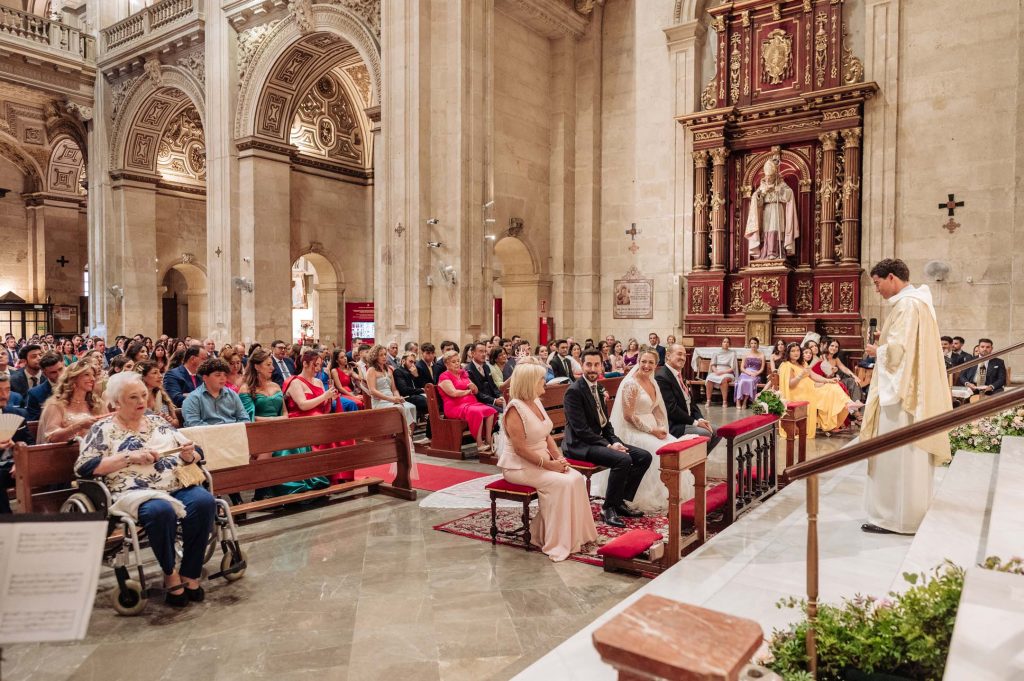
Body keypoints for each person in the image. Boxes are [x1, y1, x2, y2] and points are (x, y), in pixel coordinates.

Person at [75, 372, 213, 607]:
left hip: (174, 484)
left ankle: (190, 572)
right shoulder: (103, 429)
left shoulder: (158, 422)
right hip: (135, 492)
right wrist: (129, 457)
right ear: (116, 402)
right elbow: (84, 467)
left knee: (204, 502)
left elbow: (196, 451)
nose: (141, 401)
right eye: (133, 397)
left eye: (143, 394)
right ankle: (170, 573)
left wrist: (189, 455)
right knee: (161, 511)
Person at [860, 258, 952, 535]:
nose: (876, 289)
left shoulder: (907, 305)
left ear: (892, 277)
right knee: (909, 457)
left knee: (896, 455)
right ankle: (908, 514)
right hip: (912, 390)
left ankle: (894, 519)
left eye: (877, 283)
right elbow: (907, 344)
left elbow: (898, 353)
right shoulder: (918, 302)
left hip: (901, 397)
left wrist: (878, 350)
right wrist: (885, 337)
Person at [498, 362, 598, 561]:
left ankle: (578, 536)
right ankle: (556, 540)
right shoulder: (514, 409)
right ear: (529, 382)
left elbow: (547, 434)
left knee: (576, 478)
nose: (544, 382)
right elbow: (520, 449)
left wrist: (558, 458)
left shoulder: (535, 401)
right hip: (518, 466)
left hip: (542, 460)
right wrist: (549, 465)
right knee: (563, 484)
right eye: (541, 379)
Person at [562, 348, 652, 528]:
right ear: (581, 365)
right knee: (623, 459)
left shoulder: (598, 388)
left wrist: (615, 441)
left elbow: (605, 424)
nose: (592, 369)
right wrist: (608, 446)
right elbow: (581, 430)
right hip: (579, 444)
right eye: (588, 364)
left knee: (644, 457)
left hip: (597, 440)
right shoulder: (574, 391)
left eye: (596, 365)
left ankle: (618, 501)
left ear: (601, 366)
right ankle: (608, 508)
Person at [605, 348, 702, 513]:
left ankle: (674, 493)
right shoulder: (631, 384)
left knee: (676, 447)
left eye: (651, 362)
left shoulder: (652, 382)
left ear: (656, 364)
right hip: (633, 431)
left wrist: (661, 427)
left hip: (653, 429)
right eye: (643, 361)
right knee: (661, 451)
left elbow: (657, 408)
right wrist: (652, 431)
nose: (646, 365)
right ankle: (645, 495)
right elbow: (628, 416)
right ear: (638, 362)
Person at [283, 349, 349, 489]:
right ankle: (329, 475)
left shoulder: (318, 382)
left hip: (319, 420)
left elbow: (324, 408)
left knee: (343, 433)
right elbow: (303, 405)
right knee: (329, 434)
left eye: (320, 365)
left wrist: (330, 399)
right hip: (301, 422)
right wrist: (324, 396)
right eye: (315, 365)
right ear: (305, 364)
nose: (318, 369)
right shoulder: (295, 382)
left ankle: (339, 474)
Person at [656, 344, 721, 449]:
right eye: (679, 354)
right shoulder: (662, 376)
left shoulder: (678, 374)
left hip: (687, 420)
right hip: (674, 424)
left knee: (717, 432)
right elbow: (671, 409)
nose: (683, 358)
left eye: (684, 355)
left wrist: (700, 419)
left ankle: (699, 458)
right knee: (705, 433)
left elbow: (691, 403)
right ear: (668, 355)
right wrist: (695, 423)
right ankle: (695, 458)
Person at [437, 350, 498, 454]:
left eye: (458, 361)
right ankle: (479, 444)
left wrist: (473, 387)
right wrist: (468, 391)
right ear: (446, 364)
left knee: (490, 411)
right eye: (453, 362)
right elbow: (453, 393)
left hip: (470, 404)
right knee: (477, 412)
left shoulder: (463, 374)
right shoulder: (444, 376)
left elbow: (476, 391)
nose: (457, 364)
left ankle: (488, 440)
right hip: (455, 407)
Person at [37, 362, 107, 443]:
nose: (92, 379)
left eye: (93, 375)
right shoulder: (56, 405)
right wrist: (79, 425)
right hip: (66, 450)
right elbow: (51, 437)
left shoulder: (97, 403)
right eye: (87, 375)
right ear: (73, 378)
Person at [744, 157, 798, 260]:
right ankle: (765, 252)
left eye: (771, 176)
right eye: (767, 176)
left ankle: (775, 252)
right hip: (766, 210)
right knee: (766, 230)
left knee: (775, 228)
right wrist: (760, 195)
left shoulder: (781, 184)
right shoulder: (763, 185)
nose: (768, 179)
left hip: (777, 209)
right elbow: (757, 199)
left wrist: (780, 191)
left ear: (775, 175)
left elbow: (789, 195)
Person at [0, 374, 34, 513]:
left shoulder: (18, 413)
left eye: (7, 390)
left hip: (15, 466)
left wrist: (19, 462)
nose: (4, 395)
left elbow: (30, 444)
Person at [181, 358, 249, 427]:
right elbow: (193, 424)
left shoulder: (232, 395)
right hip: (207, 433)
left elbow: (244, 418)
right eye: (218, 375)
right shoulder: (193, 398)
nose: (223, 378)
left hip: (233, 431)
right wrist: (220, 431)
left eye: (225, 375)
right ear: (205, 378)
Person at [366, 345, 418, 427]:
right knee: (402, 409)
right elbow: (372, 391)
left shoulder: (389, 369)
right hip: (380, 401)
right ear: (375, 357)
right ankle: (402, 433)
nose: (384, 357)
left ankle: (408, 434)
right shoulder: (371, 370)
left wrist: (398, 398)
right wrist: (391, 399)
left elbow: (394, 389)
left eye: (385, 354)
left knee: (411, 407)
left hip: (391, 399)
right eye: (381, 355)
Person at [136, 359, 178, 427]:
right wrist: (155, 421)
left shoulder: (162, 394)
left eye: (160, 372)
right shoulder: (134, 400)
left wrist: (170, 421)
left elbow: (176, 422)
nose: (160, 376)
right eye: (155, 373)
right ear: (142, 376)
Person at [464, 342, 505, 411]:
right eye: (481, 351)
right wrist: (494, 401)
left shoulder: (486, 367)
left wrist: (500, 397)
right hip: (480, 403)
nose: (484, 354)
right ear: (473, 353)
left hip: (492, 400)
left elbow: (493, 386)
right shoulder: (468, 370)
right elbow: (476, 393)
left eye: (485, 351)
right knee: (504, 412)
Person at [25, 351, 64, 421]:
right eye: (53, 372)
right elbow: (34, 423)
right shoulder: (35, 394)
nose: (60, 375)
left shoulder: (77, 386)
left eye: (61, 369)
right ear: (44, 374)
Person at [394, 351, 427, 420]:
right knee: (426, 401)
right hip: (407, 397)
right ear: (403, 361)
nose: (413, 365)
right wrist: (421, 390)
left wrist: (416, 376)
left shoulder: (413, 371)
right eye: (410, 362)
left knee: (433, 399)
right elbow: (404, 390)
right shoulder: (398, 371)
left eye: (414, 362)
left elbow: (422, 385)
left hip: (417, 395)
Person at [733, 338, 765, 409]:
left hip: (756, 374)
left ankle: (745, 401)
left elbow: (762, 368)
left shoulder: (762, 355)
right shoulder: (746, 354)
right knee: (742, 381)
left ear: (758, 345)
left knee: (750, 381)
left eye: (755, 343)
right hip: (746, 373)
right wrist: (748, 372)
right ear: (750, 345)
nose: (753, 345)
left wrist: (756, 373)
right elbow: (742, 368)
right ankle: (738, 400)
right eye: (752, 343)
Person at [704, 337, 736, 407]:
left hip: (728, 372)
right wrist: (716, 371)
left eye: (727, 342)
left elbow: (733, 368)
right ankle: (708, 400)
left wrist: (722, 372)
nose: (726, 343)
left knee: (723, 380)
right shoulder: (716, 353)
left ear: (729, 344)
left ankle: (724, 401)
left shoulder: (732, 353)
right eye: (724, 342)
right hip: (717, 372)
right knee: (709, 379)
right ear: (721, 343)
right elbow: (712, 365)